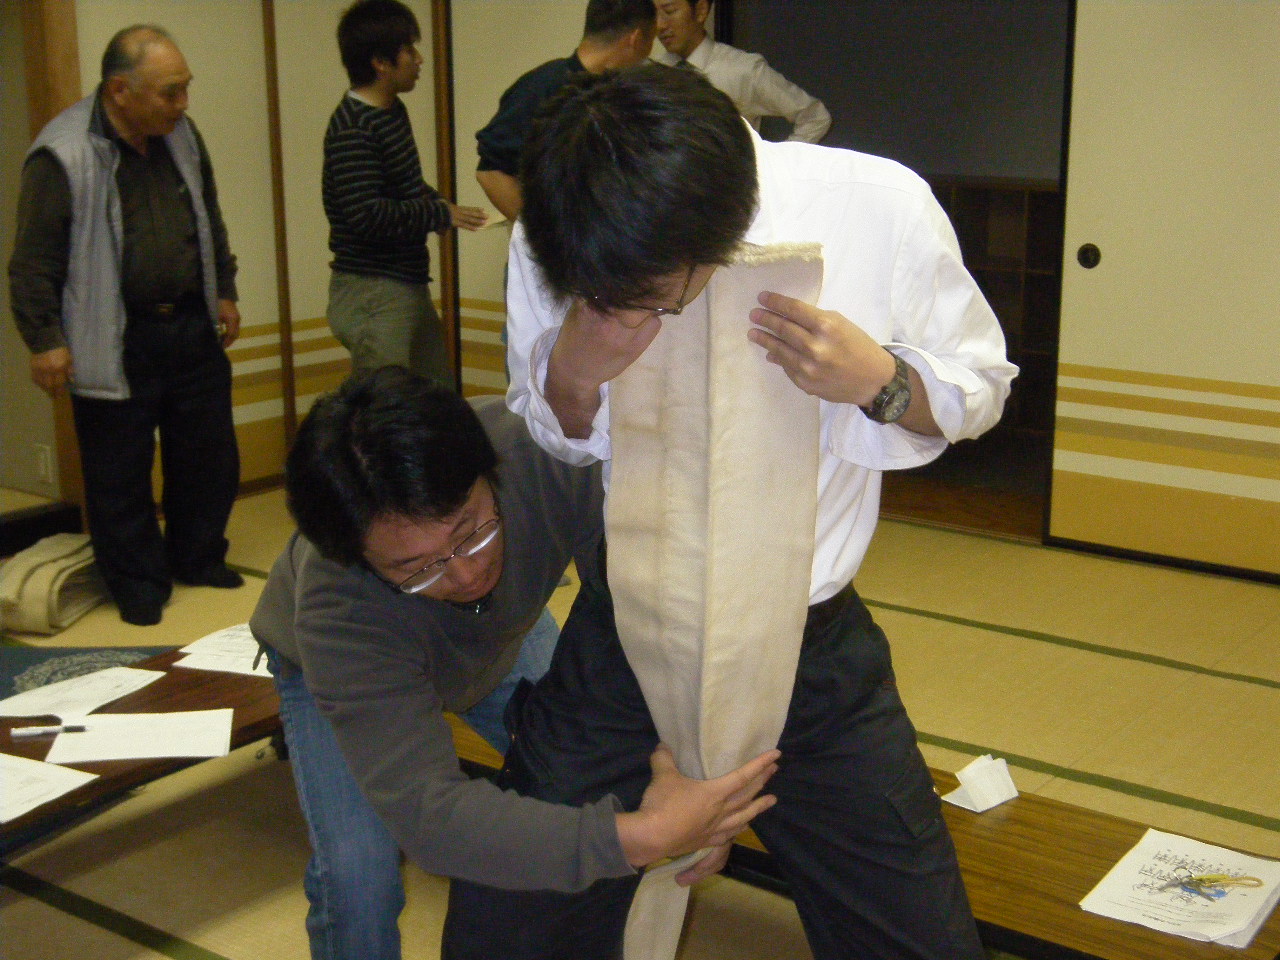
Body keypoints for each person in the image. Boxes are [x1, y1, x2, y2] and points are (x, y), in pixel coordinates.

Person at [454, 66, 1019, 959]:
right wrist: (573, 370)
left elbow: (981, 389)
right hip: (627, 628)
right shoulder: (557, 226)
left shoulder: (879, 202)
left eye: (663, 290)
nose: (653, 310)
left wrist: (881, 381)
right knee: (507, 918)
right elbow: (557, 434)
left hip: (809, 644)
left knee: (918, 940)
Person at [249, 366, 781, 960]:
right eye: (416, 568)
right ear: (362, 560)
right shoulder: (339, 610)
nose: (466, 574)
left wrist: (698, 793)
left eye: (472, 531)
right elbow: (432, 819)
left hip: (501, 637)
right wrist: (652, 835)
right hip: (342, 670)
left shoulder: (543, 451)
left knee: (588, 775)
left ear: (490, 472)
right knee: (359, 879)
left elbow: (645, 625)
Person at [9, 25, 243, 627]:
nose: (183, 103)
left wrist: (224, 288)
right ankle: (138, 582)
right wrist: (45, 340)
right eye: (170, 92)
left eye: (186, 88)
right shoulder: (63, 153)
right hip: (113, 335)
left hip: (189, 324)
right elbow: (32, 261)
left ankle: (197, 556)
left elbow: (208, 216)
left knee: (208, 456)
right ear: (119, 90)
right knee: (119, 473)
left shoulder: (180, 134)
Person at [324, 0, 487, 382]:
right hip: (373, 290)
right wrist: (440, 213)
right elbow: (367, 215)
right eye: (409, 49)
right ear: (381, 62)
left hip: (404, 282)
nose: (419, 59)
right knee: (389, 408)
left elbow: (404, 186)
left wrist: (440, 206)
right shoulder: (353, 126)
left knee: (435, 399)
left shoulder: (391, 110)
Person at [475, 0, 656, 221]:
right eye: (651, 41)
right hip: (567, 236)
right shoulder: (542, 87)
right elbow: (491, 173)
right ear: (636, 39)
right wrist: (544, 234)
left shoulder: (628, 92)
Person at [652, 0, 831, 143]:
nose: (659, 25)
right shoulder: (654, 71)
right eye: (653, 14)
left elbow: (815, 116)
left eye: (669, 11)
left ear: (700, 10)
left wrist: (776, 164)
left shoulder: (742, 70)